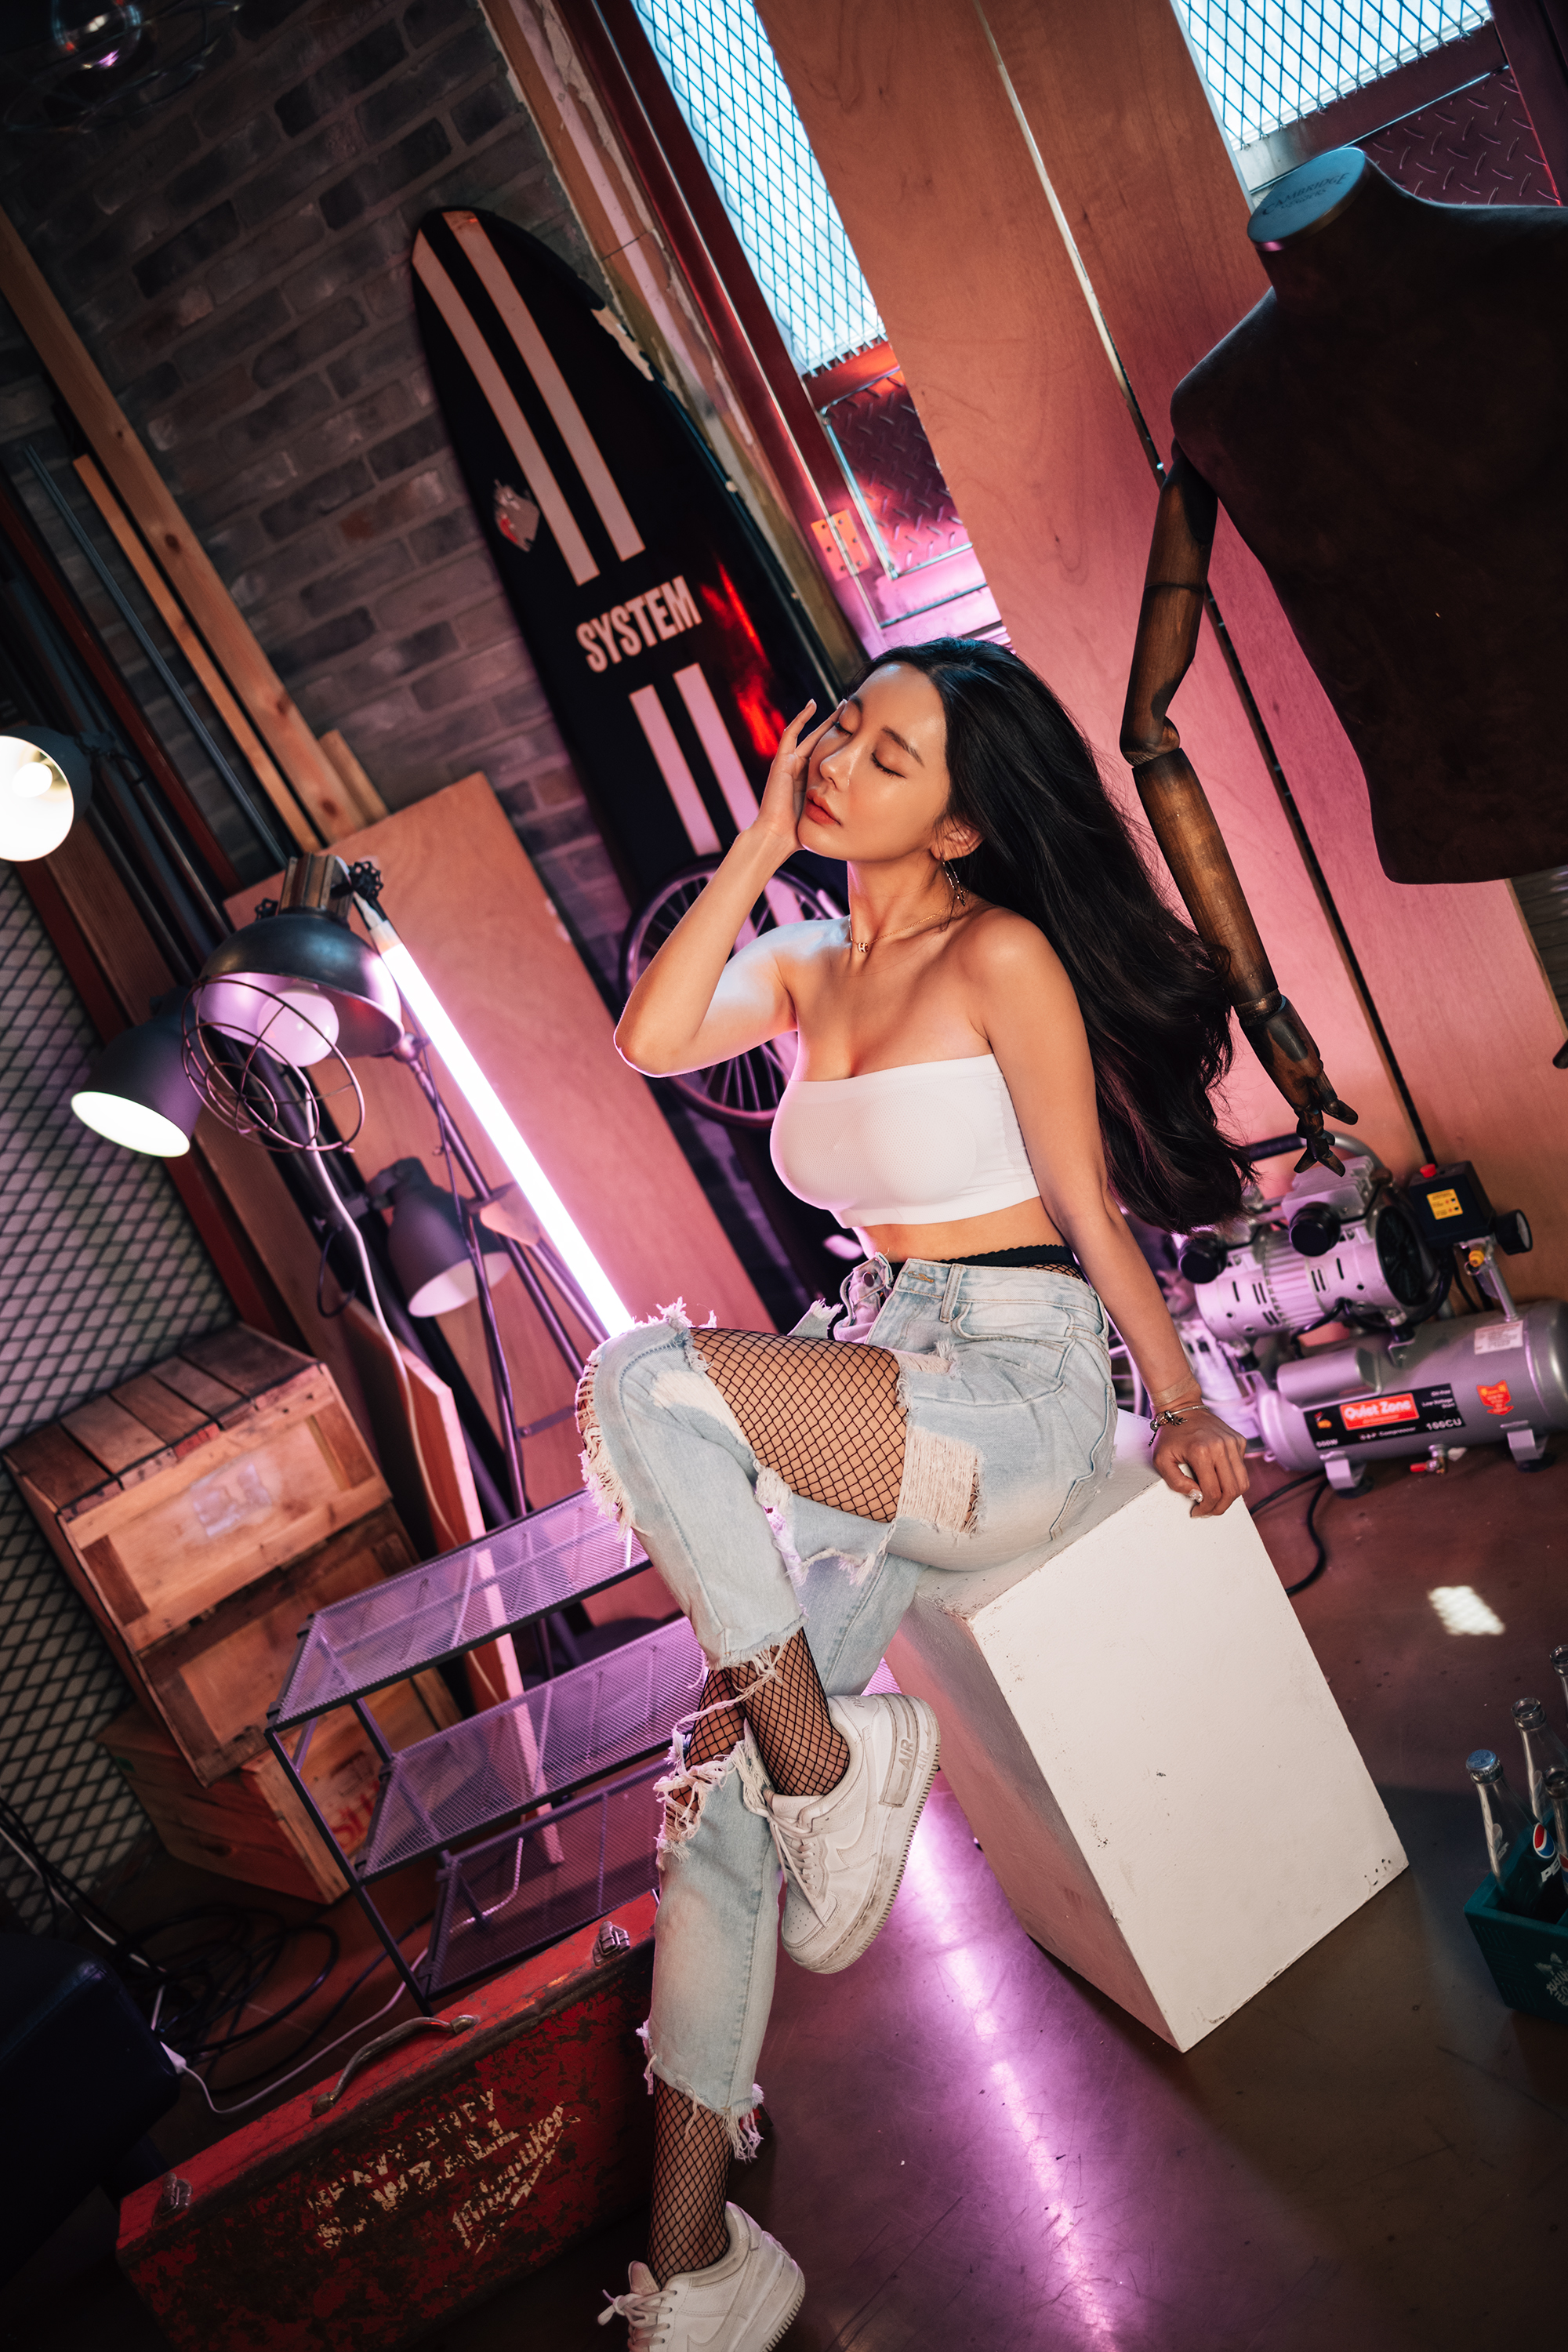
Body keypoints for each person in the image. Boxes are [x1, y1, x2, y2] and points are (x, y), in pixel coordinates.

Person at [581, 640, 1250, 2350]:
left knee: (644, 1378)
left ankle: (832, 1761)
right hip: (871, 1379)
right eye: (842, 731)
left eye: (890, 756)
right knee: (712, 1803)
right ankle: (699, 2262)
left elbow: (1087, 1205)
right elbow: (653, 1034)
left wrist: (1178, 1402)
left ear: (960, 825)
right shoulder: (805, 958)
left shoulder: (999, 951)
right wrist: (753, 847)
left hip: (1011, 1395)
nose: (838, 764)